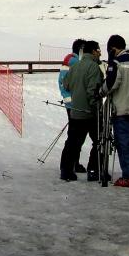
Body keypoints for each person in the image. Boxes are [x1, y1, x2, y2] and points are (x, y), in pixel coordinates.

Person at [60, 40, 103, 182]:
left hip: (75, 111)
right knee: (99, 141)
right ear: (93, 51)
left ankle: (66, 170)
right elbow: (93, 92)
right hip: (90, 113)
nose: (100, 53)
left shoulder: (75, 65)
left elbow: (65, 84)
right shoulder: (94, 67)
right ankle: (94, 171)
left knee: (73, 142)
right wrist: (96, 109)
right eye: (98, 50)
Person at [104, 34, 129, 188]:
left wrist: (100, 91)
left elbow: (112, 83)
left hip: (121, 109)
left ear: (113, 48)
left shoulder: (117, 62)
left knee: (123, 144)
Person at [58, 39, 87, 174]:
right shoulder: (75, 62)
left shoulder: (70, 60)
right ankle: (69, 164)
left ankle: (72, 163)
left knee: (76, 134)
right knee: (76, 135)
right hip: (75, 104)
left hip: (72, 102)